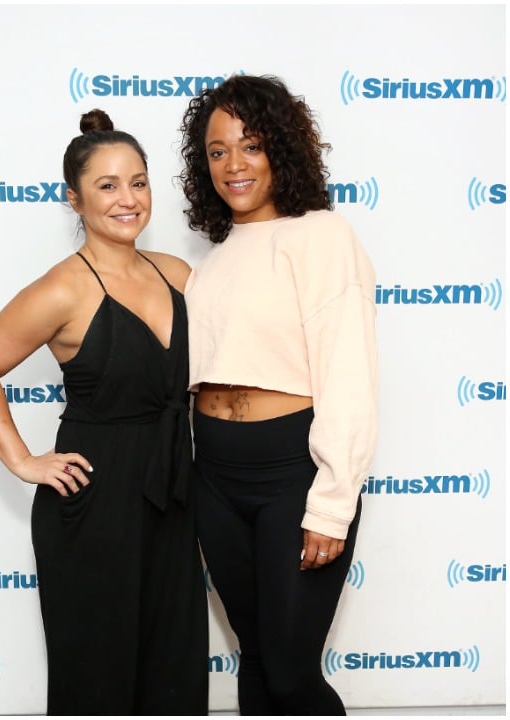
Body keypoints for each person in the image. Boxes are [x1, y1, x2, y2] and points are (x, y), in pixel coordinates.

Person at [0, 109, 207, 715]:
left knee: (173, 669)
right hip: (93, 506)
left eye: (139, 182)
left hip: (172, 496)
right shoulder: (63, 288)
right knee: (96, 675)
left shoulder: (177, 273)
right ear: (75, 199)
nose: (128, 199)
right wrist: (23, 461)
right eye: (108, 185)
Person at [178, 73, 377, 715]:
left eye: (252, 145)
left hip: (289, 473)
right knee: (258, 658)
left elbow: (348, 372)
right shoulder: (220, 255)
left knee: (291, 673)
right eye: (217, 150)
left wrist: (331, 505)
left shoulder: (320, 235)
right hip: (215, 477)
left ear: (282, 151)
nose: (233, 164)